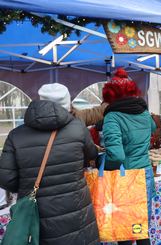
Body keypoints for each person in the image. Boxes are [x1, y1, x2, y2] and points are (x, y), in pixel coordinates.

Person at [0, 83, 99, 245]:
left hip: (38, 215)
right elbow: (92, 155)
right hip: (76, 210)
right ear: (67, 104)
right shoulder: (78, 128)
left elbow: (5, 178)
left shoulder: (16, 135)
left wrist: (28, 184)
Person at [101, 79, 156, 245]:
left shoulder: (112, 117)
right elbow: (152, 127)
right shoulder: (144, 113)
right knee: (139, 226)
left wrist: (101, 163)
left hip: (125, 180)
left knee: (124, 229)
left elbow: (116, 156)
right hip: (144, 174)